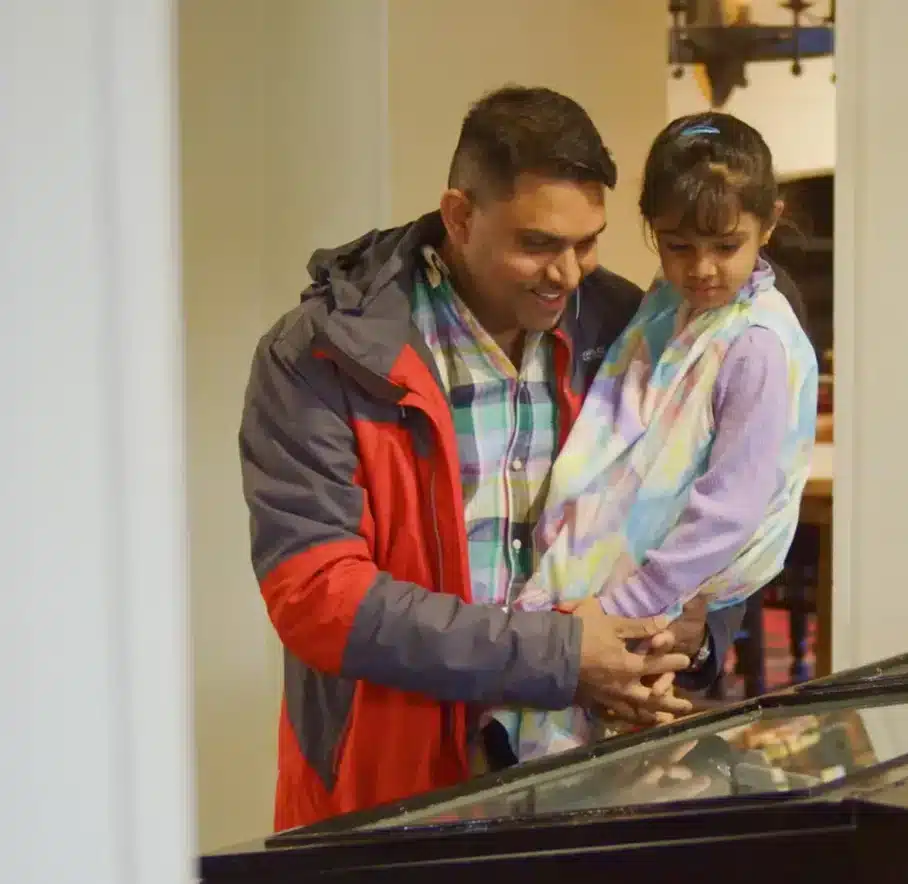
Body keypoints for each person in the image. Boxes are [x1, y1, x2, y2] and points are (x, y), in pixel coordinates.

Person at [240, 86, 751, 831]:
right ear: (458, 216)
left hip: (592, 781)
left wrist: (699, 635)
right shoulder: (320, 354)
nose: (568, 274)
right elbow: (317, 597)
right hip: (392, 798)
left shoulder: (630, 325)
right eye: (538, 244)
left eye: (588, 242)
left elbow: (720, 496)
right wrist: (562, 656)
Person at [492, 111, 820, 762]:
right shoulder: (665, 309)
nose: (701, 268)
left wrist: (629, 603)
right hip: (603, 587)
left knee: (617, 759)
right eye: (676, 245)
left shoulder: (755, 344)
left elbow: (731, 511)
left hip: (649, 595)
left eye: (726, 246)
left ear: (769, 225)